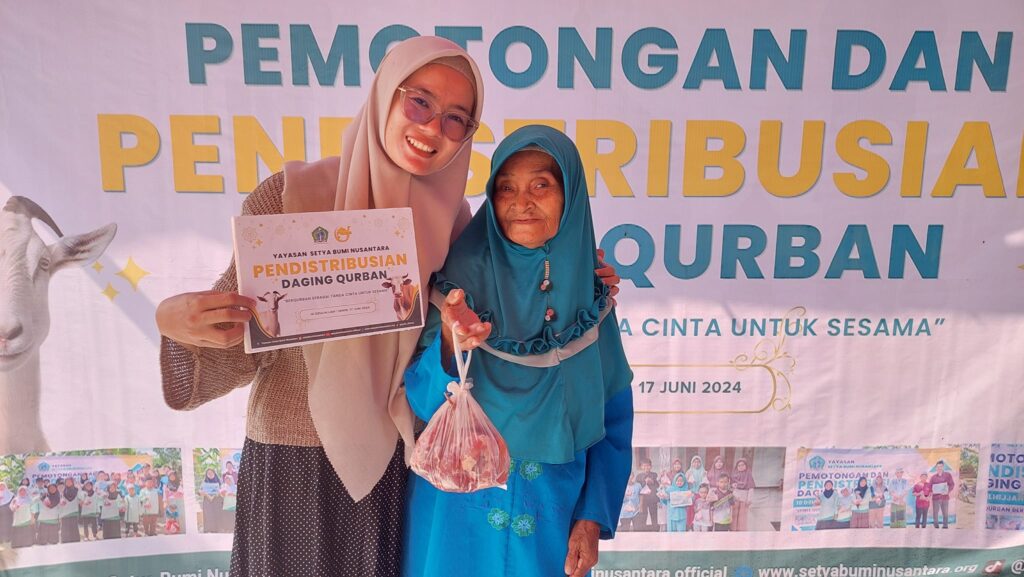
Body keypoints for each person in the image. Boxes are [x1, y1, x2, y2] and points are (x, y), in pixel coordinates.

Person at [155, 36, 619, 577]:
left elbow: (495, 303)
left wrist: (575, 270)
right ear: (385, 95)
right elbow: (238, 340)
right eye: (419, 102)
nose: (433, 128)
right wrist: (175, 321)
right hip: (292, 456)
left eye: (456, 119)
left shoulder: (456, 226)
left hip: (394, 467)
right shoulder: (290, 196)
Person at [401, 125, 634, 577]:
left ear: (570, 197)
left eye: (541, 185)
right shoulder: (457, 284)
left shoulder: (589, 299)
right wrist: (451, 340)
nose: (520, 202)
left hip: (552, 513)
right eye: (506, 187)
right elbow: (422, 403)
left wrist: (592, 517)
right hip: (454, 511)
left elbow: (614, 418)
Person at [636, 458, 660, 531]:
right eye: (644, 465)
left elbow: (658, 485)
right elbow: (637, 488)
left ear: (651, 466)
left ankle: (655, 530)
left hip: (653, 499)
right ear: (641, 467)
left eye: (648, 465)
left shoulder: (654, 474)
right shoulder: (638, 476)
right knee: (643, 516)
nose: (646, 467)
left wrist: (652, 482)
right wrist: (644, 481)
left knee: (654, 516)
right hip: (643, 500)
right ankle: (643, 531)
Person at [929, 461, 955, 528]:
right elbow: (929, 486)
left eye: (940, 466)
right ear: (936, 468)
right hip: (935, 498)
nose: (939, 468)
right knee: (935, 513)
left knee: (945, 513)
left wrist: (947, 491)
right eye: (938, 467)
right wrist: (931, 491)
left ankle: (945, 526)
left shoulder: (948, 475)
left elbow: (952, 484)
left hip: (945, 497)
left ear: (943, 467)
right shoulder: (933, 477)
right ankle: (936, 526)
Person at [731, 458, 755, 531]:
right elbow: (730, 486)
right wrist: (732, 485)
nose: (741, 467)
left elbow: (751, 487)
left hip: (744, 497)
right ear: (736, 467)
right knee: (734, 514)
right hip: (735, 497)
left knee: (742, 515)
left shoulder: (748, 475)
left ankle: (741, 530)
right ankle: (733, 529)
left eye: (743, 465)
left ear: (746, 466)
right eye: (739, 465)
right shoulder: (734, 475)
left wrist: (749, 499)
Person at [684, 456, 706, 530]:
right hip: (691, 494)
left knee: (699, 510)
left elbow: (705, 484)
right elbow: (684, 484)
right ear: (692, 463)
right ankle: (690, 526)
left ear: (701, 463)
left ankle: (699, 527)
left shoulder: (703, 472)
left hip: (700, 494)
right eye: (694, 462)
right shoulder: (689, 472)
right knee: (690, 510)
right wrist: (688, 479)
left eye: (698, 462)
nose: (696, 464)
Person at [199, 469, 223, 533]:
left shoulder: (218, 481)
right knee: (208, 515)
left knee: (217, 514)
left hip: (217, 500)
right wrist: (204, 493)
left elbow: (221, 490)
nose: (210, 474)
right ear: (206, 475)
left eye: (211, 473)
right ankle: (209, 529)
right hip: (207, 501)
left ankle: (217, 529)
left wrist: (218, 493)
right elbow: (200, 491)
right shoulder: (204, 481)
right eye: (208, 473)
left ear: (214, 473)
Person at [58, 477, 81, 543]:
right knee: (65, 528)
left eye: (70, 481)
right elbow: (59, 500)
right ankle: (65, 542)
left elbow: (80, 499)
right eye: (67, 482)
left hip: (73, 512)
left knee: (74, 528)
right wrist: (61, 502)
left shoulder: (77, 490)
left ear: (72, 482)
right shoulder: (62, 491)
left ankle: (75, 541)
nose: (68, 483)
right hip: (64, 513)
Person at [0, 482, 12, 549]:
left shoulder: (10, 494)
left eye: (3, 486)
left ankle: (8, 538)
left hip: (8, 513)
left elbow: (13, 503)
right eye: (0, 486)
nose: (1, 487)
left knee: (8, 525)